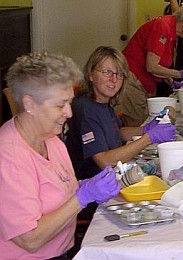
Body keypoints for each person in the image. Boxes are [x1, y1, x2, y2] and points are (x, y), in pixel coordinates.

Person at [0, 51, 120, 259]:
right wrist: (83, 197)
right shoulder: (9, 155)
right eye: (59, 105)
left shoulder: (51, 140)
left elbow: (63, 189)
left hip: (63, 250)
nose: (69, 113)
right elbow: (30, 239)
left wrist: (88, 185)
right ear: (30, 104)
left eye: (69, 102)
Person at [66, 46, 177, 182]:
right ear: (90, 74)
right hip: (93, 187)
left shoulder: (102, 101)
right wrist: (149, 138)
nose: (114, 79)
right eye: (107, 72)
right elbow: (105, 161)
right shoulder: (85, 109)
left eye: (119, 74)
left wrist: (146, 129)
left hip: (110, 177)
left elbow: (116, 132)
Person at [123, 3, 183, 97]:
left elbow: (160, 65)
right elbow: (152, 67)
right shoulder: (162, 26)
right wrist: (180, 74)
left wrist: (172, 82)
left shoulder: (172, 32)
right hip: (133, 80)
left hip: (144, 83)